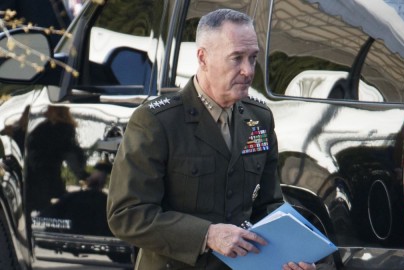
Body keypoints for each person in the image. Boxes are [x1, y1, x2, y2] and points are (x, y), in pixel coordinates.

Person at [107, 9, 316, 270]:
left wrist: (293, 253)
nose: (248, 71)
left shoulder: (259, 118)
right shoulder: (157, 121)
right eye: (236, 58)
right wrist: (207, 235)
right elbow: (127, 215)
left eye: (252, 58)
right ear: (203, 58)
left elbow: (268, 205)